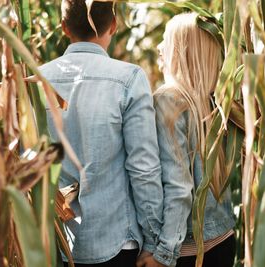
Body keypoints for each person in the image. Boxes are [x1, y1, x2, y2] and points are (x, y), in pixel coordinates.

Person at [39, 1, 166, 266]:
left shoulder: (35, 81)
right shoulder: (129, 78)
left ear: (63, 27)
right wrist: (154, 243)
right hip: (117, 243)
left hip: (54, 245)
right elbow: (143, 168)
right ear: (113, 25)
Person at [137, 13, 236, 267]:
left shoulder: (169, 101)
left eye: (167, 40)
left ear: (184, 51)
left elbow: (179, 187)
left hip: (190, 252)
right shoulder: (220, 104)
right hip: (224, 239)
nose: (159, 47)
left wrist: (163, 255)